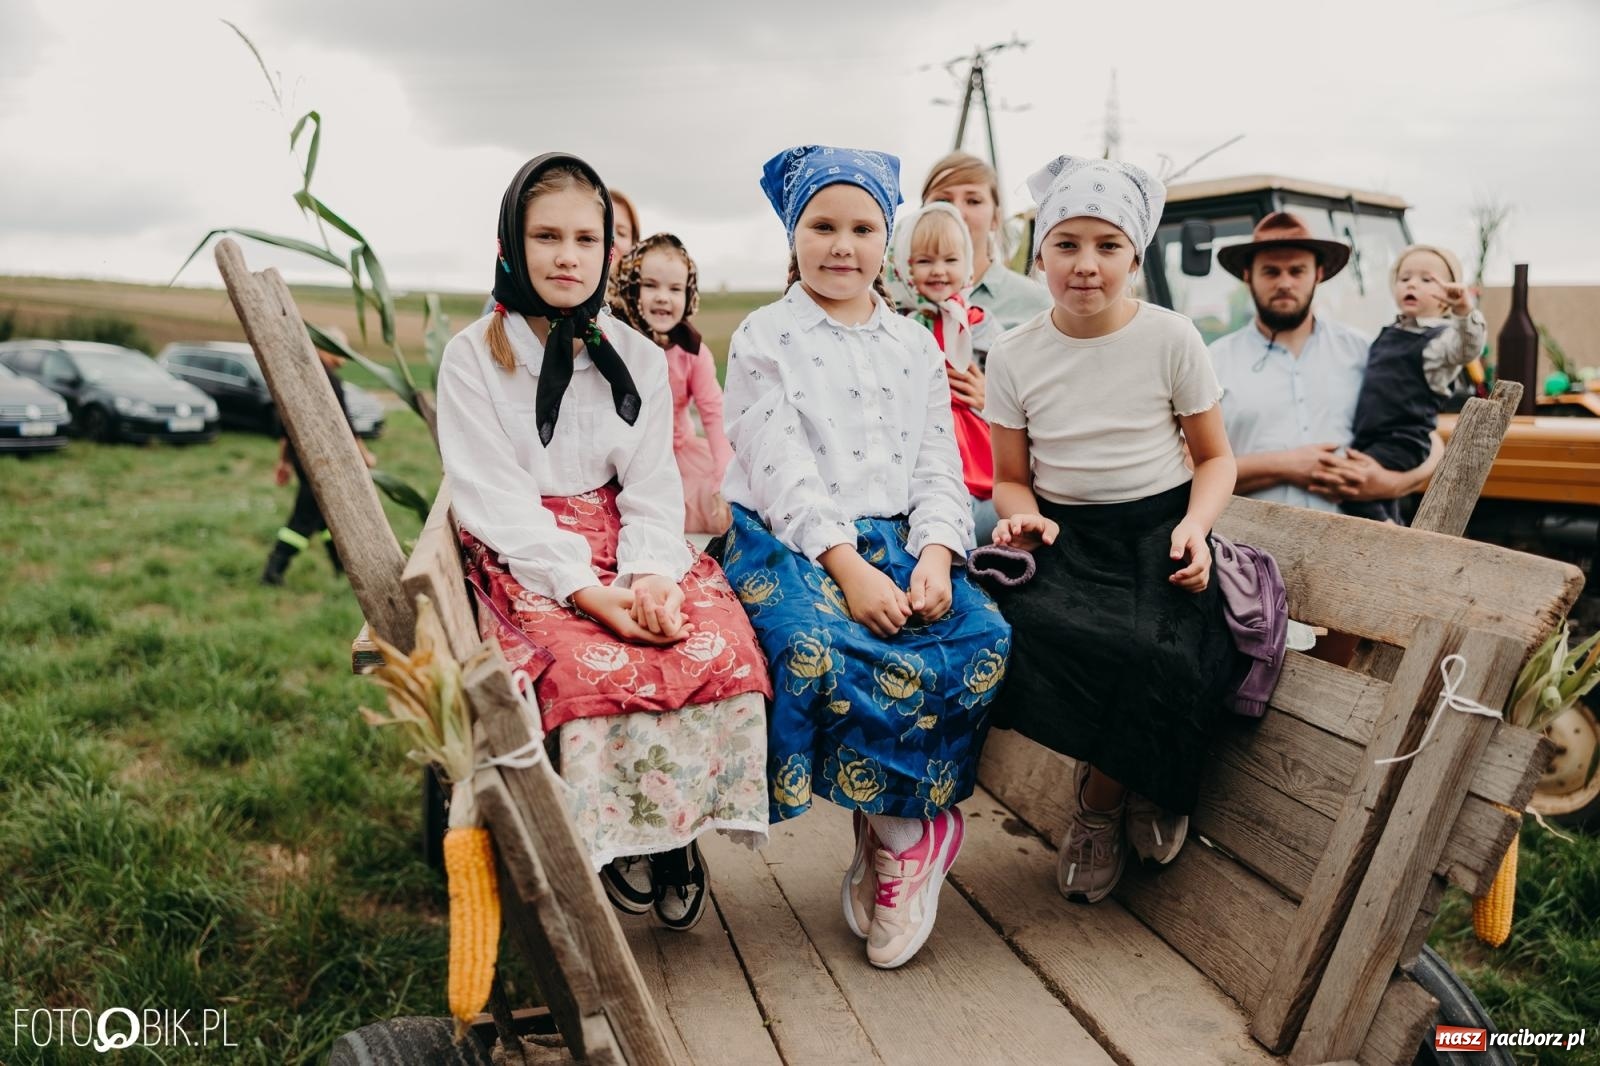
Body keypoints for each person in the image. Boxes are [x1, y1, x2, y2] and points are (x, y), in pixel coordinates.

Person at [435, 153, 772, 932]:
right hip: (527, 541)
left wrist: (652, 573)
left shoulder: (639, 356)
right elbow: (494, 498)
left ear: (608, 251)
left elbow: (651, 483)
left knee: (716, 644)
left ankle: (675, 830)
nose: (566, 255)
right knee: (585, 663)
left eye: (586, 239)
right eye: (545, 235)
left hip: (625, 531)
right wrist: (586, 589)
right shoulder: (474, 359)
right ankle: (621, 839)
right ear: (511, 245)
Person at [719, 144, 1012, 970]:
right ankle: (906, 835)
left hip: (900, 532)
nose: (841, 246)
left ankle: (896, 830)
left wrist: (936, 553)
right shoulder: (764, 335)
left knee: (976, 636)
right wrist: (847, 567)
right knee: (817, 643)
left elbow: (936, 465)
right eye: (822, 226)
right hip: (789, 535)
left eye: (861, 228)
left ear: (887, 239)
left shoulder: (913, 345)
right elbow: (780, 467)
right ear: (793, 233)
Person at [984, 154, 1237, 905]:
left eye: (1107, 246)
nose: (1086, 265)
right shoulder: (1015, 352)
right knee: (1038, 634)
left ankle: (1104, 802)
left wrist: (1197, 527)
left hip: (1163, 529)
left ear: (1135, 255)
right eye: (1067, 244)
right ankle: (1140, 782)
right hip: (1066, 540)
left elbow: (1217, 459)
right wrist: (1020, 514)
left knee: (1171, 652)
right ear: (1040, 252)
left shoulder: (1172, 339)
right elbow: (1009, 476)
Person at [1208, 212, 1443, 517]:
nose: (1284, 283)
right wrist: (1285, 466)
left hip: (1358, 553)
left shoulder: (1364, 351)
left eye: (1297, 271)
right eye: (1270, 272)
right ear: (1247, 276)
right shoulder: (1213, 362)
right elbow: (1187, 470)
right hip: (1249, 555)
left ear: (1318, 274)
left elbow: (1428, 438)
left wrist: (1389, 483)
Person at [1340, 243, 1487, 522]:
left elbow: (1467, 348)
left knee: (1350, 486)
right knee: (1380, 495)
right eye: (1404, 278)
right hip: (1371, 435)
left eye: (1427, 279)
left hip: (1404, 440)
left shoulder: (1439, 343)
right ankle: (1392, 525)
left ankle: (1385, 531)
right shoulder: (1388, 333)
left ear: (1446, 296)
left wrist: (1464, 311)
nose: (1413, 285)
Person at [885, 201, 998, 545]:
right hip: (916, 433)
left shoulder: (978, 322)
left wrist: (990, 394)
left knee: (981, 505)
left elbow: (1012, 379)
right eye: (924, 261)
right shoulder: (898, 324)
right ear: (904, 265)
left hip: (972, 432)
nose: (938, 271)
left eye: (950, 260)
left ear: (966, 266)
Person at [609, 233, 734, 535]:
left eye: (675, 289)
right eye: (650, 286)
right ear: (631, 289)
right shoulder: (617, 345)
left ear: (688, 295)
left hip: (681, 457)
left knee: (732, 502)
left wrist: (723, 481)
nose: (663, 296)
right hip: (626, 458)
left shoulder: (693, 353)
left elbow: (714, 414)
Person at [260, 326, 376, 586]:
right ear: (324, 348)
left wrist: (284, 461)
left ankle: (340, 568)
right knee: (304, 516)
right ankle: (273, 570)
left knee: (327, 515)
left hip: (301, 457)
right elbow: (344, 423)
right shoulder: (329, 380)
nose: (345, 355)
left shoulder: (302, 375)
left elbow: (284, 424)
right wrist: (365, 455)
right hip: (320, 461)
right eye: (340, 348)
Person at [921, 151, 1051, 341]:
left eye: (973, 201)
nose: (957, 212)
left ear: (995, 219)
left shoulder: (1037, 303)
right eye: (943, 200)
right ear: (922, 214)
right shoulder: (892, 299)